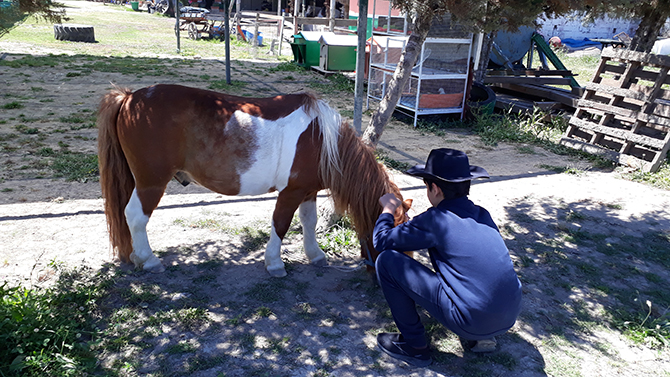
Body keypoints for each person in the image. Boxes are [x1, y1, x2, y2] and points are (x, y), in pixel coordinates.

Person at [373, 148, 522, 367]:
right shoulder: (482, 214)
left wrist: (387, 210)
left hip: (471, 319)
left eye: (426, 186)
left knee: (387, 261)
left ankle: (414, 347)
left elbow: (381, 241)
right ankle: (483, 336)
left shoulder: (437, 219)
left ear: (434, 188)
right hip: (508, 316)